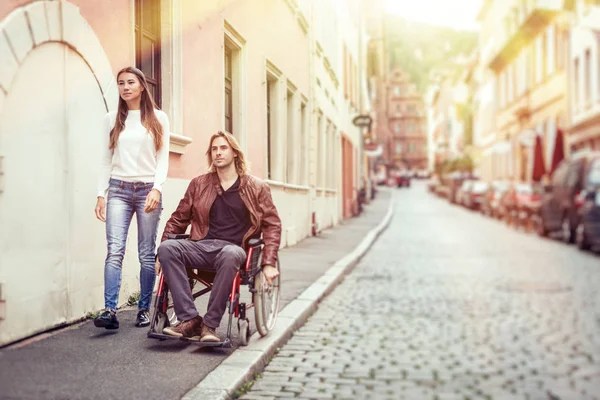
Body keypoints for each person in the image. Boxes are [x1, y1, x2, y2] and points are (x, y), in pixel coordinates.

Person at [156, 130, 281, 342]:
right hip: (202, 246)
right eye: (214, 149)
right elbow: (178, 219)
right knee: (167, 249)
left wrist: (268, 262)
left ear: (234, 153)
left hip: (232, 250)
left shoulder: (256, 187)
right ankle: (190, 320)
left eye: (223, 148)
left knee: (231, 253)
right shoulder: (199, 184)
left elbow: (272, 225)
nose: (218, 153)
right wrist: (162, 249)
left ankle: (210, 325)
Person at [93, 66, 170, 330]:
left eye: (130, 82)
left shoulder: (158, 118)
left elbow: (162, 158)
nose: (125, 87)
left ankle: (143, 309)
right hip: (118, 190)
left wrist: (157, 188)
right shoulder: (111, 119)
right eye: (121, 83)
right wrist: (100, 193)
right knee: (114, 251)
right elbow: (105, 160)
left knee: (146, 254)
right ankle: (109, 311)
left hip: (148, 189)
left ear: (141, 86)